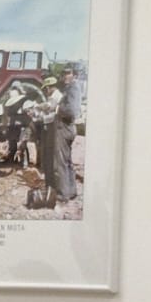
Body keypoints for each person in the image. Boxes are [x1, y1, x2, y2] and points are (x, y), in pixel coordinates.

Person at [50, 66, 82, 204]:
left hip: (64, 127)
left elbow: (72, 111)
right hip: (68, 127)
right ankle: (71, 191)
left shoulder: (73, 88)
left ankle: (63, 195)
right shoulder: (71, 88)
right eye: (63, 73)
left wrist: (56, 108)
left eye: (68, 73)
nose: (64, 76)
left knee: (61, 162)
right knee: (67, 161)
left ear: (74, 74)